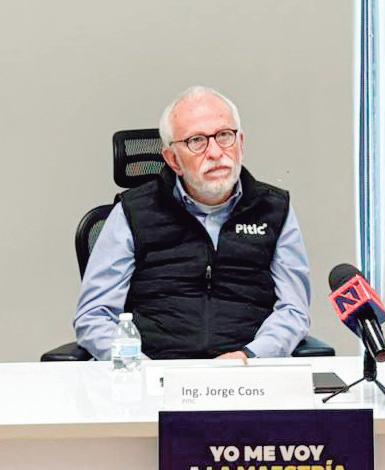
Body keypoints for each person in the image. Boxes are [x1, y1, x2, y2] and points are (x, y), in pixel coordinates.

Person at [74, 86, 311, 361]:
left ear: (241, 143)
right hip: (154, 370)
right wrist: (141, 368)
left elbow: (293, 311)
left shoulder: (274, 209)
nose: (215, 152)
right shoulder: (132, 212)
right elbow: (94, 316)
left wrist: (251, 356)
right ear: (172, 159)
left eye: (224, 136)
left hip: (246, 373)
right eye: (197, 141)